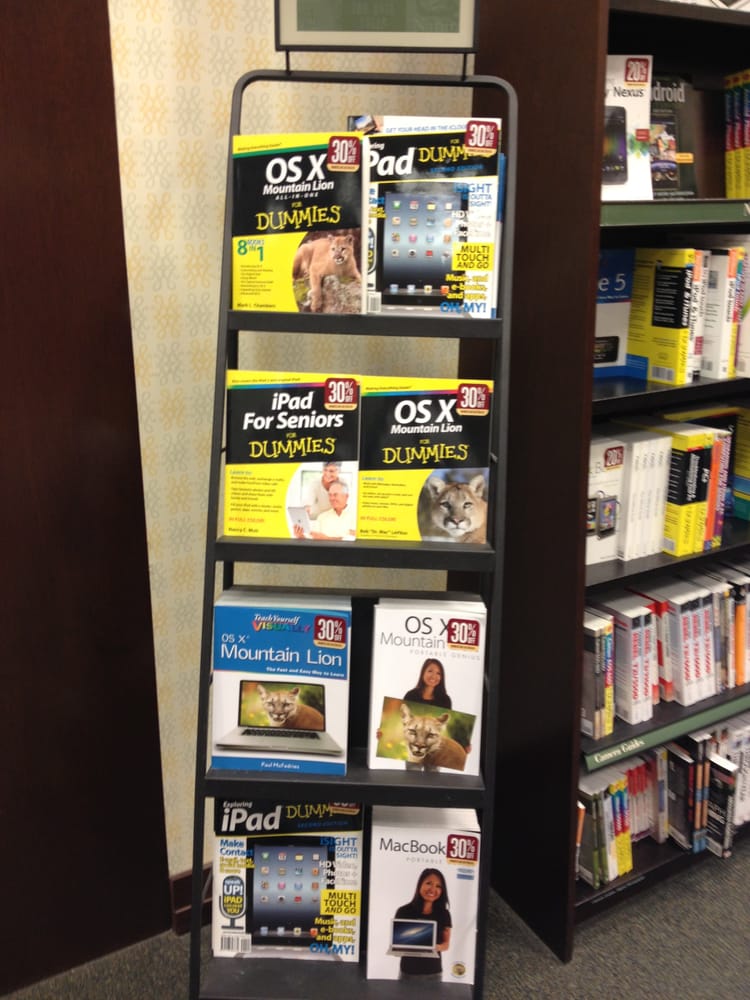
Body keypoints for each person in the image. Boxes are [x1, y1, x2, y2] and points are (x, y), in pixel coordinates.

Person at [394, 868, 452, 980]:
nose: (433, 889)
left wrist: (436, 947)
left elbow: (446, 944)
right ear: (420, 884)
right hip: (408, 971)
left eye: (438, 886)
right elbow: (398, 942)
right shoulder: (403, 911)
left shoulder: (444, 914)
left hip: (433, 972)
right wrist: (400, 947)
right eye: (429, 883)